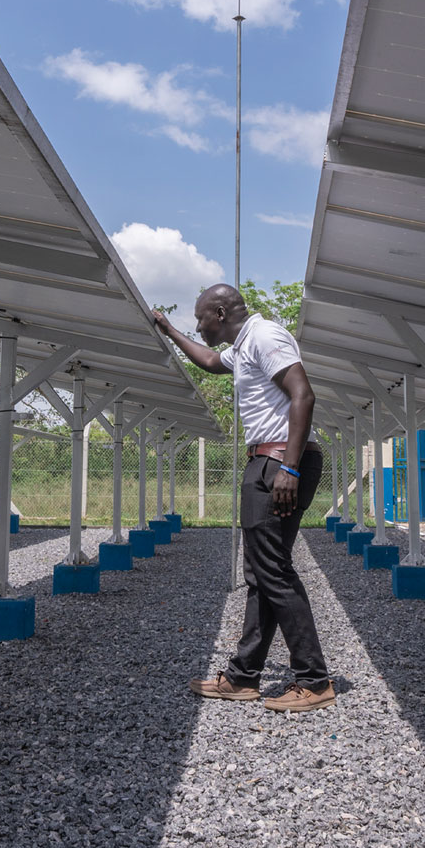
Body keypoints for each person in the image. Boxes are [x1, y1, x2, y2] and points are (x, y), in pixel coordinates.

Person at [153, 285, 334, 713]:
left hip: (278, 463)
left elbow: (302, 394)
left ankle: (314, 679)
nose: (199, 326)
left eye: (200, 319)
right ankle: (243, 676)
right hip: (270, 462)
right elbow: (212, 362)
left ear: (219, 311)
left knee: (271, 569)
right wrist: (170, 330)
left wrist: (288, 468)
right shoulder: (241, 346)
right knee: (260, 571)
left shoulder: (264, 336)